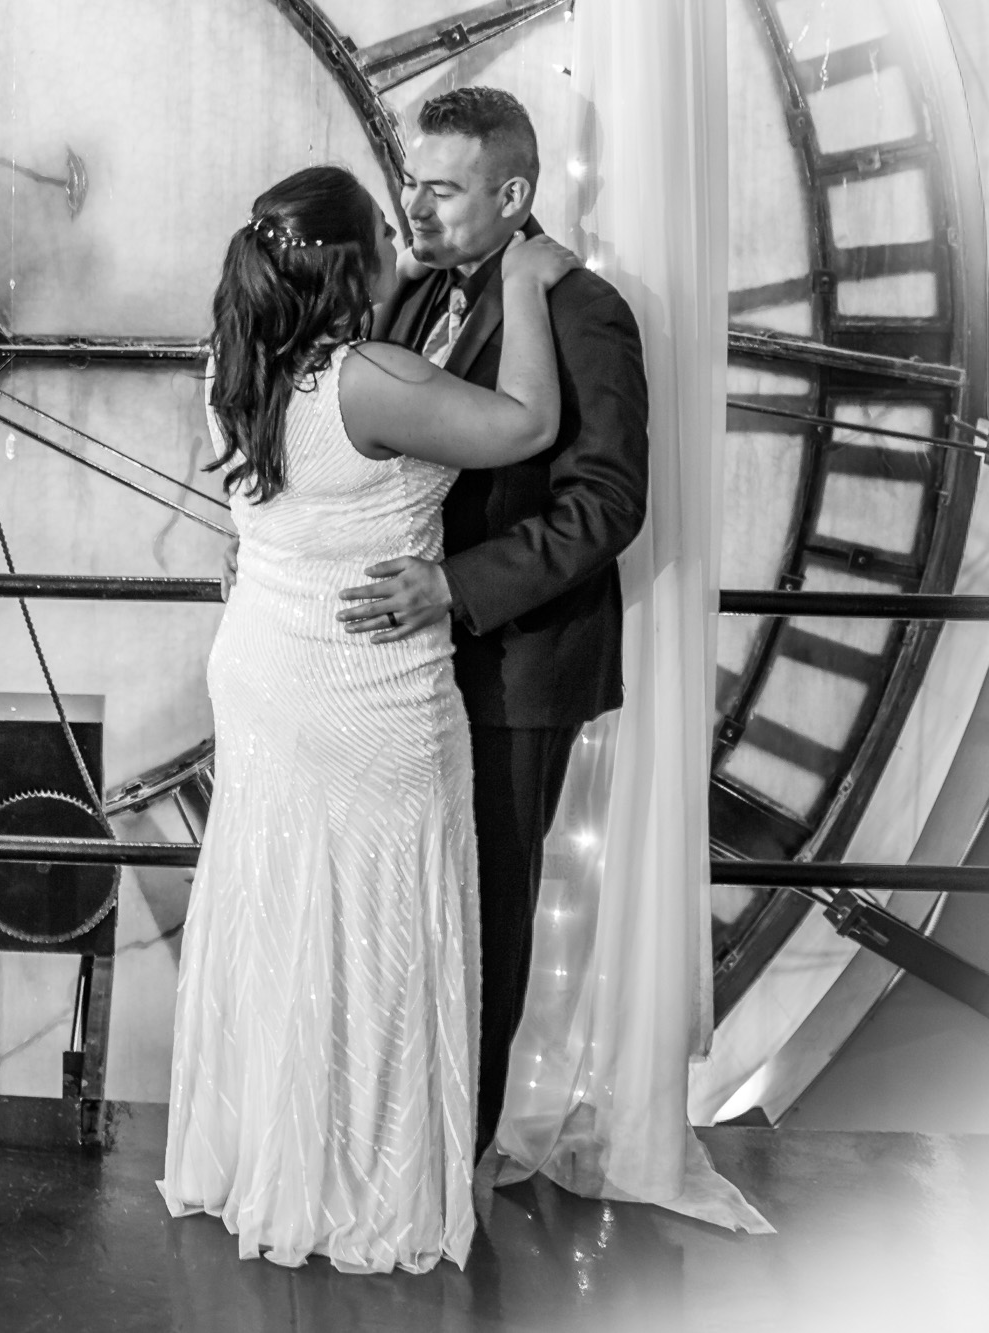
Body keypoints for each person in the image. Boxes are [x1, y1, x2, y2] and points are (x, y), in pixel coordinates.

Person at [159, 163, 579, 1273]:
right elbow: (528, 423)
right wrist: (525, 282)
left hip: (263, 660)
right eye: (385, 237)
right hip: (362, 682)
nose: (404, 244)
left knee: (287, 913)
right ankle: (357, 1179)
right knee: (378, 927)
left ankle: (273, 1156)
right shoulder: (366, 379)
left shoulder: (235, 363)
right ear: (351, 266)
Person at [339, 88, 648, 1160]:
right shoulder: (416, 289)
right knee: (413, 916)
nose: (414, 208)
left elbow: (605, 502)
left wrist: (454, 585)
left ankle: (453, 1165)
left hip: (516, 667)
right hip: (409, 667)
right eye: (410, 183)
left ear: (513, 196)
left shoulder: (583, 309)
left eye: (442, 188)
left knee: (487, 922)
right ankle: (397, 1145)